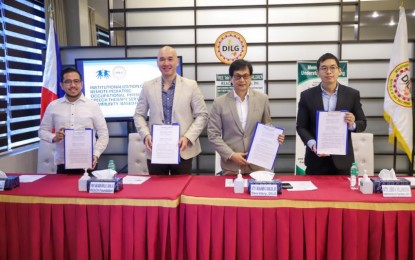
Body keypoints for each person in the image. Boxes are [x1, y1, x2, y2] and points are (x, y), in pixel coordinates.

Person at [133, 46, 208, 175]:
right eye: (162, 59)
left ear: (176, 62)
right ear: (157, 62)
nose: (166, 63)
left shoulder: (191, 85)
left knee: (181, 190)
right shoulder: (148, 86)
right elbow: (139, 115)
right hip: (156, 149)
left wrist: (188, 137)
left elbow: (202, 115)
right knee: (157, 191)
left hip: (182, 149)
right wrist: (146, 135)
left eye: (170, 59)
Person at [208, 59, 285, 175]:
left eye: (246, 76)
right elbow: (213, 135)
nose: (242, 80)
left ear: (251, 78)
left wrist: (275, 137)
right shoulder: (219, 102)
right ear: (231, 78)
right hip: (231, 166)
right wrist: (231, 154)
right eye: (237, 76)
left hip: (257, 164)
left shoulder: (262, 99)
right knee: (229, 193)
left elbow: (267, 125)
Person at [296, 53, 367, 175]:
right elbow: (301, 127)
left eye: (333, 67)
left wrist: (352, 124)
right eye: (324, 68)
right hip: (316, 160)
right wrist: (313, 144)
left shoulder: (352, 94)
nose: (329, 71)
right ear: (318, 72)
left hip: (343, 162)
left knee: (343, 194)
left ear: (339, 71)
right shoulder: (307, 96)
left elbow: (362, 122)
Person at [39, 67, 109, 174]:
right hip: (63, 164)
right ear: (61, 85)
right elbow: (42, 131)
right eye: (68, 82)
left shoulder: (93, 106)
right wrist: (54, 137)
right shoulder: (53, 106)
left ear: (82, 84)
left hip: (88, 162)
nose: (72, 85)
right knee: (62, 191)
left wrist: (95, 154)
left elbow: (103, 134)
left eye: (76, 81)